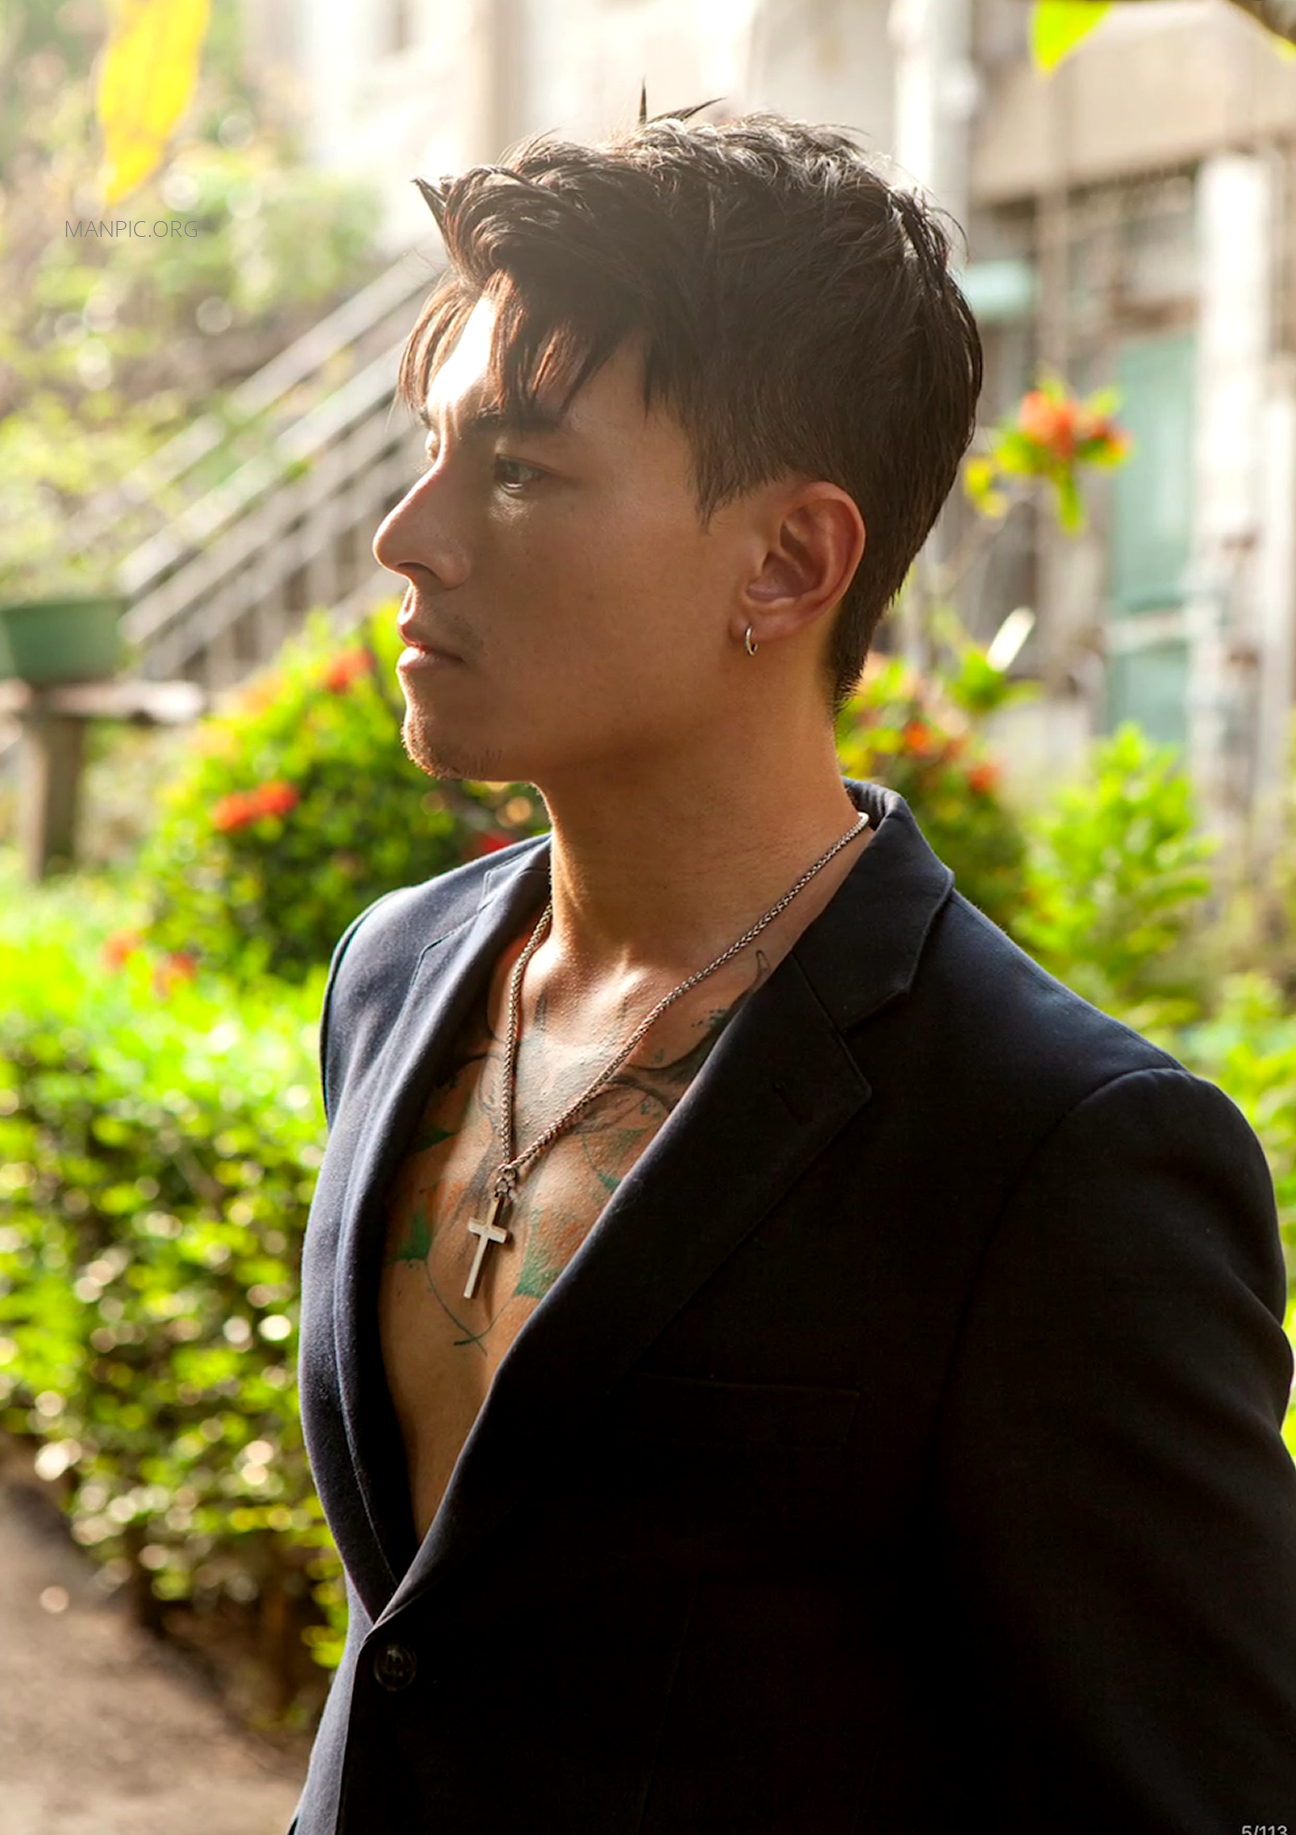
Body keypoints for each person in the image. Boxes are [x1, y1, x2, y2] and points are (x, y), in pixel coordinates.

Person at [287, 109, 1296, 1833]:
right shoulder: (399, 972)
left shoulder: (1056, 1151)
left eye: (519, 469)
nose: (408, 534)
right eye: (433, 449)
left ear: (788, 562)